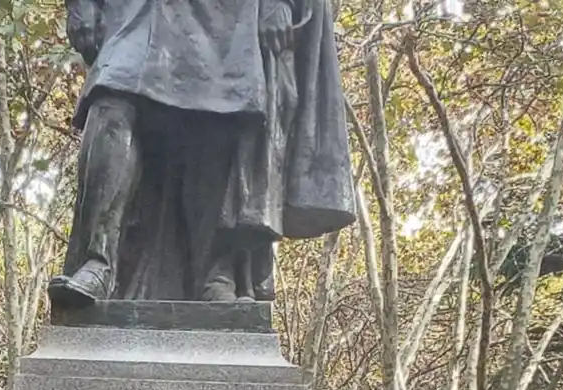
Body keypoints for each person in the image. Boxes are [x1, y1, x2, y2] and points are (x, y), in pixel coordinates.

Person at [50, 0, 354, 304]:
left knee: (220, 114)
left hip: (230, 17)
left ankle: (214, 274)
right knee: (111, 104)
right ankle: (99, 262)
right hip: (138, 10)